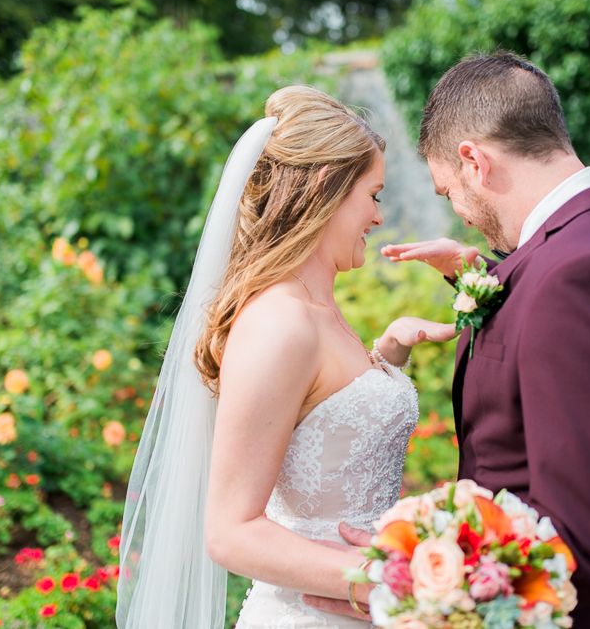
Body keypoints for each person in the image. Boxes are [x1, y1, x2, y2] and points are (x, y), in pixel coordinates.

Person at [307, 52, 590, 628]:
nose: (459, 214)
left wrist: (413, 575)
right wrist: (480, 274)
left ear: (474, 162)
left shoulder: (582, 275)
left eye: (447, 193)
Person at [116, 85, 456, 628]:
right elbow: (231, 532)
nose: (376, 217)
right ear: (326, 187)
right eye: (372, 195)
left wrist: (388, 354)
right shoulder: (279, 323)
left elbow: (326, 422)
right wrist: (387, 580)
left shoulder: (318, 309)